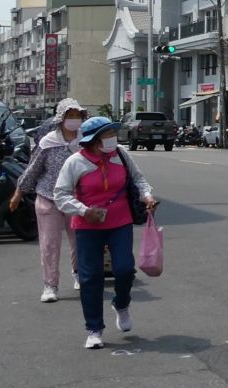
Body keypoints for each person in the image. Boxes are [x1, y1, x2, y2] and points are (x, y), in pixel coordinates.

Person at [53, 116, 157, 350]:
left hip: (120, 222)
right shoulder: (75, 163)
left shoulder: (120, 154)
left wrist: (147, 196)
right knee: (91, 278)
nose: (112, 139)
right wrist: (83, 210)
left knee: (124, 270)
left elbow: (139, 179)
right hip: (87, 226)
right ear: (93, 140)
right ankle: (94, 328)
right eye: (106, 135)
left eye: (112, 133)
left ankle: (121, 304)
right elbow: (60, 195)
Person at [10, 98, 85, 302]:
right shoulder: (48, 142)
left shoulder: (86, 141)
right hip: (48, 197)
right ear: (61, 119)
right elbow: (33, 169)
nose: (74, 120)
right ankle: (50, 285)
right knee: (50, 244)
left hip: (77, 198)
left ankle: (79, 273)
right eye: (70, 116)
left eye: (77, 116)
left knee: (80, 240)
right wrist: (19, 192)